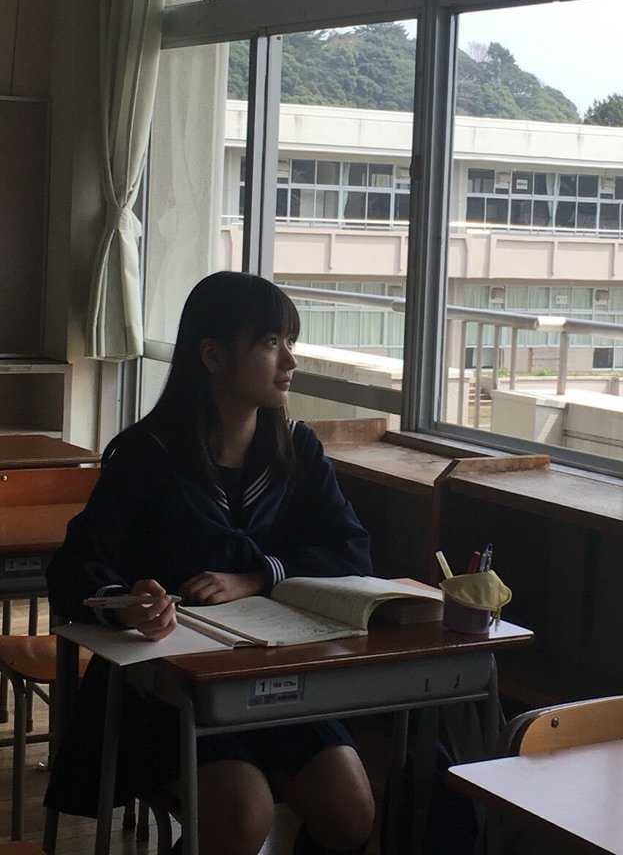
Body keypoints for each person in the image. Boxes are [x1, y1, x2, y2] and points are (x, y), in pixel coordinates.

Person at [45, 272, 376, 855]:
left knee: (351, 808)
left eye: (290, 341)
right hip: (166, 690)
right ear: (213, 356)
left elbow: (350, 551)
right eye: (271, 342)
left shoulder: (296, 451)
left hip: (275, 680)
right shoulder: (147, 455)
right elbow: (76, 567)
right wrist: (128, 604)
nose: (290, 361)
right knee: (242, 812)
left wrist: (257, 576)